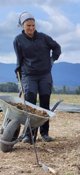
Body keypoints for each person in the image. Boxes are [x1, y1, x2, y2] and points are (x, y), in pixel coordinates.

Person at [13, 12, 61, 143]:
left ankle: (44, 133)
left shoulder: (44, 38)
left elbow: (57, 47)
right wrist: (20, 78)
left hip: (45, 74)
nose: (31, 28)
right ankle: (29, 135)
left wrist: (52, 59)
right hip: (29, 75)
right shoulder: (18, 40)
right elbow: (19, 59)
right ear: (22, 26)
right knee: (30, 103)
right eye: (28, 25)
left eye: (33, 25)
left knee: (45, 103)